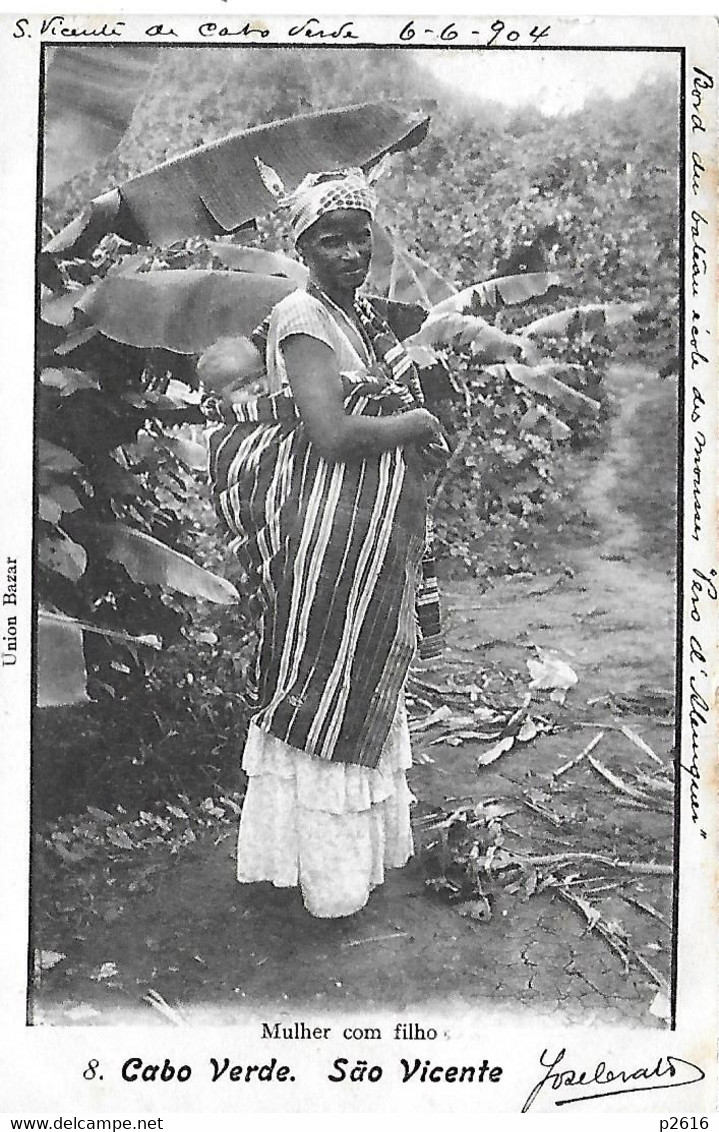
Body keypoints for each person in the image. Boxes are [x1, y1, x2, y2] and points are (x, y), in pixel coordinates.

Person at [206, 167, 446, 918]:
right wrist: (411, 425)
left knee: (353, 667)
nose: (349, 252)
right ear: (303, 249)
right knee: (323, 676)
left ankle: (350, 865)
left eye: (358, 236)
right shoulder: (304, 316)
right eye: (329, 240)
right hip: (326, 527)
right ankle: (323, 879)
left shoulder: (357, 315)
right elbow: (332, 433)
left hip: (360, 530)